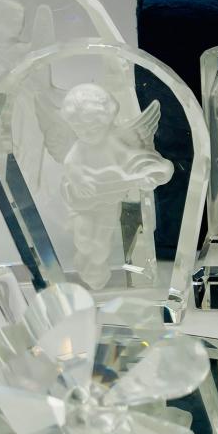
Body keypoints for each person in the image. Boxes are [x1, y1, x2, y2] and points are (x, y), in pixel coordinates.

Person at [58, 83, 173, 290]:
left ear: (107, 121)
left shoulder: (113, 141)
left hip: (109, 205)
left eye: (93, 128)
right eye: (79, 129)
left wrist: (144, 176)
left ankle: (96, 269)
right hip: (83, 205)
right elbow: (69, 165)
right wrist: (79, 180)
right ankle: (84, 260)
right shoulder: (80, 146)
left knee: (101, 247)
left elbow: (132, 160)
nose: (86, 133)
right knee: (84, 240)